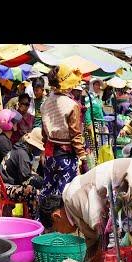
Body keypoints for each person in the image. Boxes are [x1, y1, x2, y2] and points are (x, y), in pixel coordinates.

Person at [39, 64, 86, 203]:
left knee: (47, 191)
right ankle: (58, 223)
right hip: (66, 157)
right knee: (63, 195)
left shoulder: (46, 102)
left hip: (50, 154)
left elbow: (43, 132)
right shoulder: (72, 105)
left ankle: (41, 220)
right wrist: (82, 156)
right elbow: (75, 135)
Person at [0, 128, 44, 220]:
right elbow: (25, 179)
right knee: (33, 191)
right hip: (8, 189)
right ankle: (33, 219)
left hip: (5, 185)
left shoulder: (19, 148)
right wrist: (41, 181)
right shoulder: (23, 154)